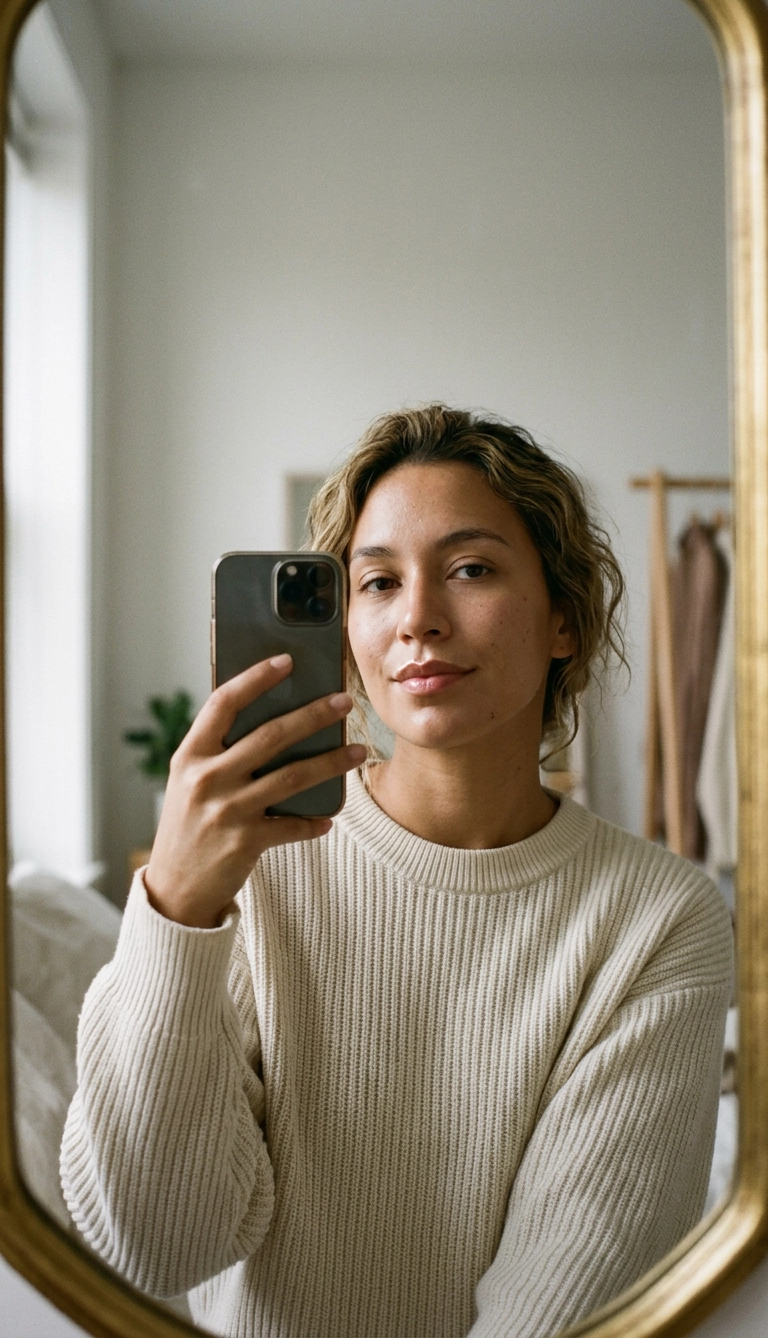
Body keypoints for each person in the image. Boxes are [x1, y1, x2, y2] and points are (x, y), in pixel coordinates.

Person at [60, 405, 733, 1338]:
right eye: (377, 582)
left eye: (471, 569)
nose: (418, 618)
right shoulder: (247, 875)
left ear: (564, 620)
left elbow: (564, 1305)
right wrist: (175, 911)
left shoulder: (659, 919)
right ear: (346, 629)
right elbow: (158, 1247)